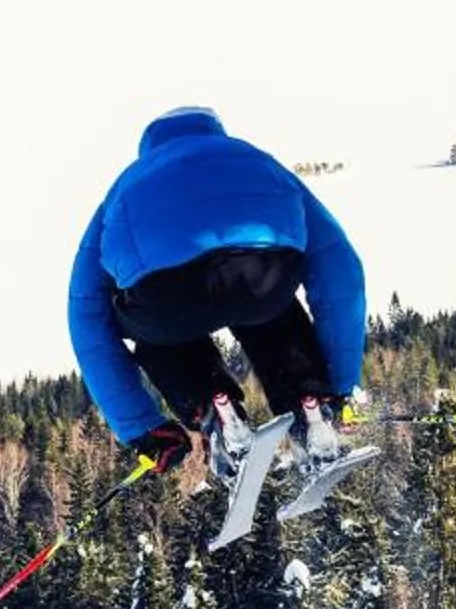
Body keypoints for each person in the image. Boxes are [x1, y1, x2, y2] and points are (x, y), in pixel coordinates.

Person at [67, 105, 366, 481]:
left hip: (167, 299)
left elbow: (86, 317)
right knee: (272, 314)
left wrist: (143, 429)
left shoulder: (125, 187)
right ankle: (309, 403)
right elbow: (341, 270)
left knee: (155, 330)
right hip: (264, 277)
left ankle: (212, 408)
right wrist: (340, 384)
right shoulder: (255, 160)